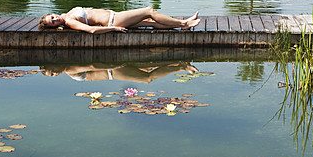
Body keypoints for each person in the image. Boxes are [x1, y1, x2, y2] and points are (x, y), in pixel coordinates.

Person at [38, 6, 200, 33]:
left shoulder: (66, 15)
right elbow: (91, 30)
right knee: (149, 11)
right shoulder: (69, 22)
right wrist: (113, 29)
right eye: (53, 22)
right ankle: (184, 23)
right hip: (113, 21)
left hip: (115, 15)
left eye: (52, 16)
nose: (55, 18)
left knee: (150, 23)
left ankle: (181, 26)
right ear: (55, 26)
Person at [41, 61, 199, 83]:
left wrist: (113, 65)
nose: (55, 73)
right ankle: (179, 62)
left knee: (147, 78)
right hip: (113, 69)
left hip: (113, 72)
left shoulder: (70, 70)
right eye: (52, 74)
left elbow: (92, 66)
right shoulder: (68, 66)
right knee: (147, 67)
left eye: (52, 70)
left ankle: (182, 67)